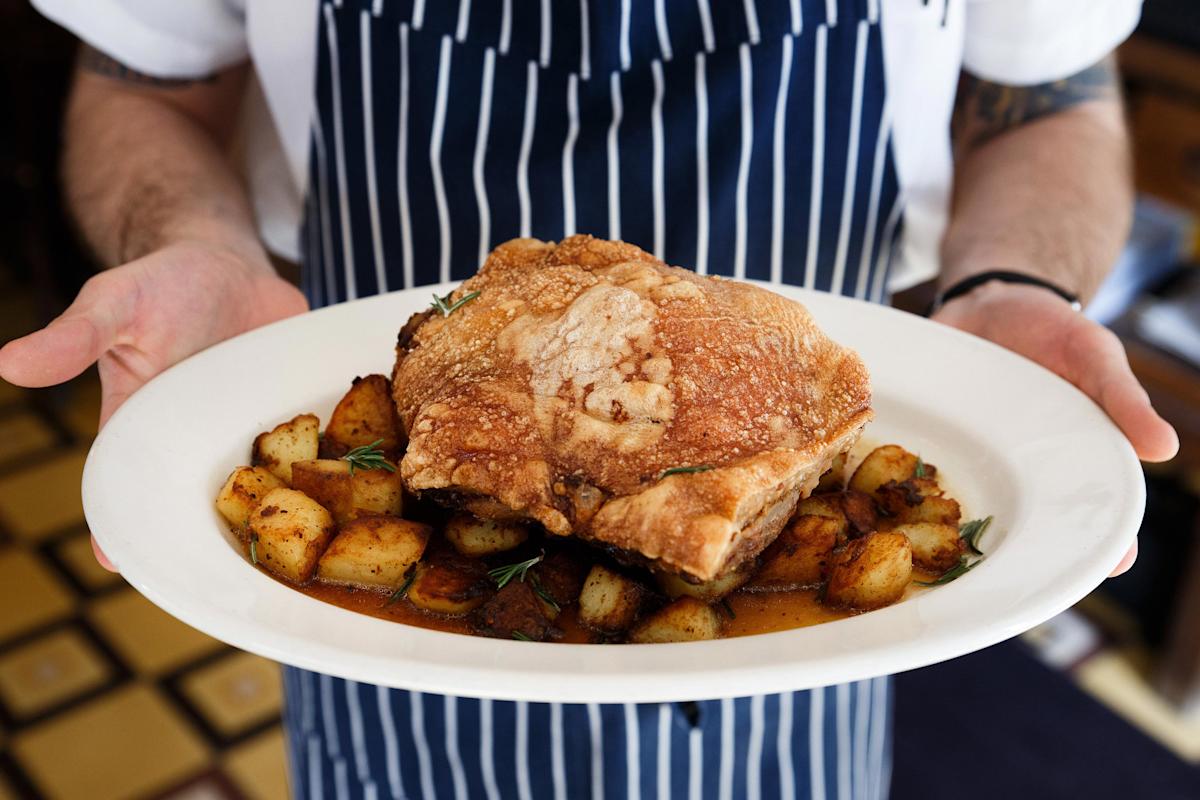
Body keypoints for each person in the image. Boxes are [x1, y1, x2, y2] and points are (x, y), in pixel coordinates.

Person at [2, 1, 1178, 798]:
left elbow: (1050, 96)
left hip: (794, 677)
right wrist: (193, 241)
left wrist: (1015, 281)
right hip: (388, 647)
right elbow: (143, 82)